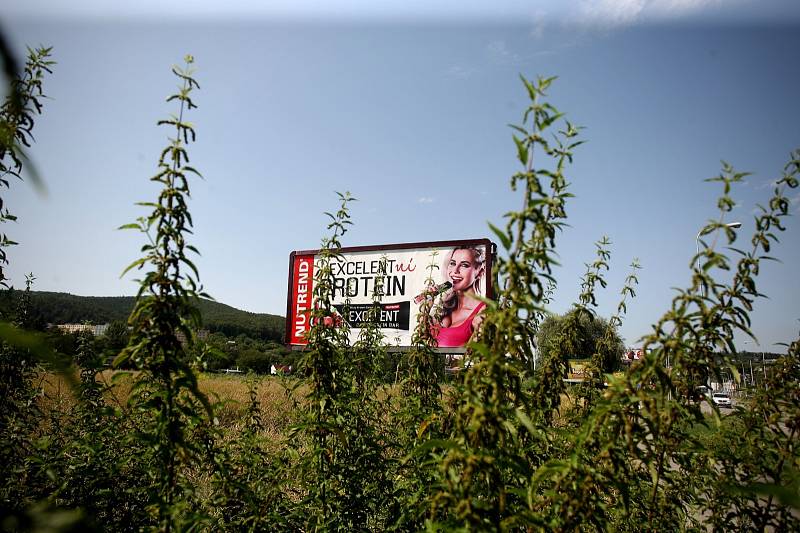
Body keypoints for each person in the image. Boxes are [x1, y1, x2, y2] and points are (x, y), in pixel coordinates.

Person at [432, 246, 486, 348]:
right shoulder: (444, 307)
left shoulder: (482, 312)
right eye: (452, 263)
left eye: (464, 265)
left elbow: (470, 358)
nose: (455, 270)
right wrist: (426, 306)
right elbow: (422, 342)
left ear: (479, 272)